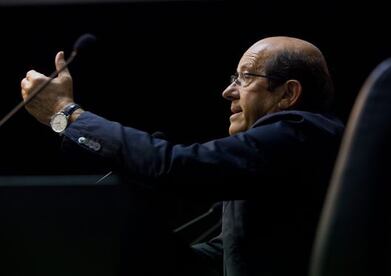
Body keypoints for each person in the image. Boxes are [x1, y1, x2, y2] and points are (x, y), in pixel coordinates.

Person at [21, 36, 344, 276]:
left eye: (245, 77)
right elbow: (230, 255)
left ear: (288, 93)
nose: (228, 91)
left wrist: (66, 113)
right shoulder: (281, 152)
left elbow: (180, 167)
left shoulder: (302, 130)